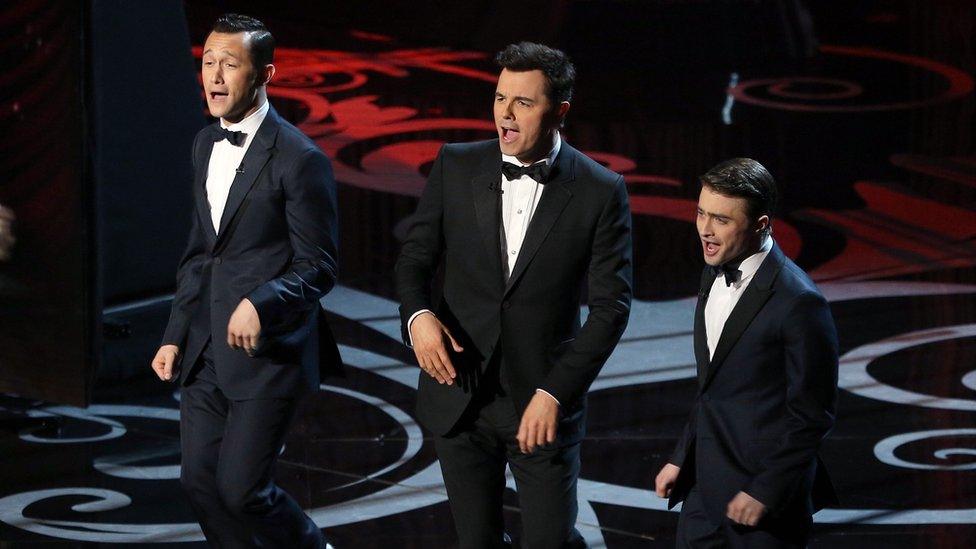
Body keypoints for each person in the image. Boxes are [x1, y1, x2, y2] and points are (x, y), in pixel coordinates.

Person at [395, 41, 632, 548]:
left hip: (540, 401)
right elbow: (415, 260)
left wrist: (555, 393)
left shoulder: (599, 189)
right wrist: (417, 317)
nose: (504, 112)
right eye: (500, 97)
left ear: (559, 111)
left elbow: (611, 308)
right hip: (459, 393)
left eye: (523, 102)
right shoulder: (457, 165)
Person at [150, 13, 339, 548]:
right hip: (204, 344)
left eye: (228, 64)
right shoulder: (204, 144)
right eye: (207, 62)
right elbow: (200, 253)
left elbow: (320, 266)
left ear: (264, 74)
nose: (213, 75)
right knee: (198, 483)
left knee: (242, 489)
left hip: (268, 351)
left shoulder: (300, 159)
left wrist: (263, 301)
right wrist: (173, 332)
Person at [654, 158, 839, 548]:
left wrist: (766, 491)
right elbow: (712, 386)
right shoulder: (712, 270)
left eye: (721, 219)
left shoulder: (798, 302)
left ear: (761, 224)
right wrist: (680, 456)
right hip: (702, 491)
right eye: (701, 213)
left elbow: (811, 414)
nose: (705, 229)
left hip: (761, 503)